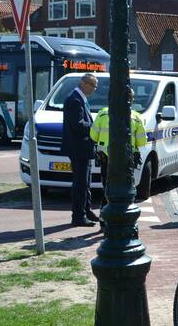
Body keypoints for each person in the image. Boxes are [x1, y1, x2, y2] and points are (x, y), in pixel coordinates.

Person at [90, 86, 148, 214]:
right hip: (126, 158)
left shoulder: (103, 113)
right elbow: (142, 141)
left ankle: (103, 217)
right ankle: (122, 214)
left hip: (105, 157)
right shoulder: (136, 117)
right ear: (132, 100)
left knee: (107, 186)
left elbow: (93, 135)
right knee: (124, 188)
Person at [63, 73, 98, 227]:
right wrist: (95, 127)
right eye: (93, 85)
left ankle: (86, 210)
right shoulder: (75, 100)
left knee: (85, 182)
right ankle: (78, 216)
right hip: (78, 148)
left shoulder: (79, 99)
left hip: (83, 148)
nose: (94, 89)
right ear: (84, 83)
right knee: (80, 183)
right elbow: (78, 125)